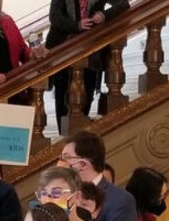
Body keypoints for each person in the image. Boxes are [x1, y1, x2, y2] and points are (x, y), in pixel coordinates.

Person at [46, 0, 129, 129]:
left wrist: (103, 15)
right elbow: (54, 16)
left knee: (87, 94)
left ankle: (79, 133)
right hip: (63, 51)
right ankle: (64, 136)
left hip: (91, 52)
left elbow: (123, 3)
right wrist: (77, 25)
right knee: (63, 96)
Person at [59, 131, 137, 221]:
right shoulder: (61, 195)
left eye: (66, 158)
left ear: (83, 164)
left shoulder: (120, 201)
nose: (61, 164)